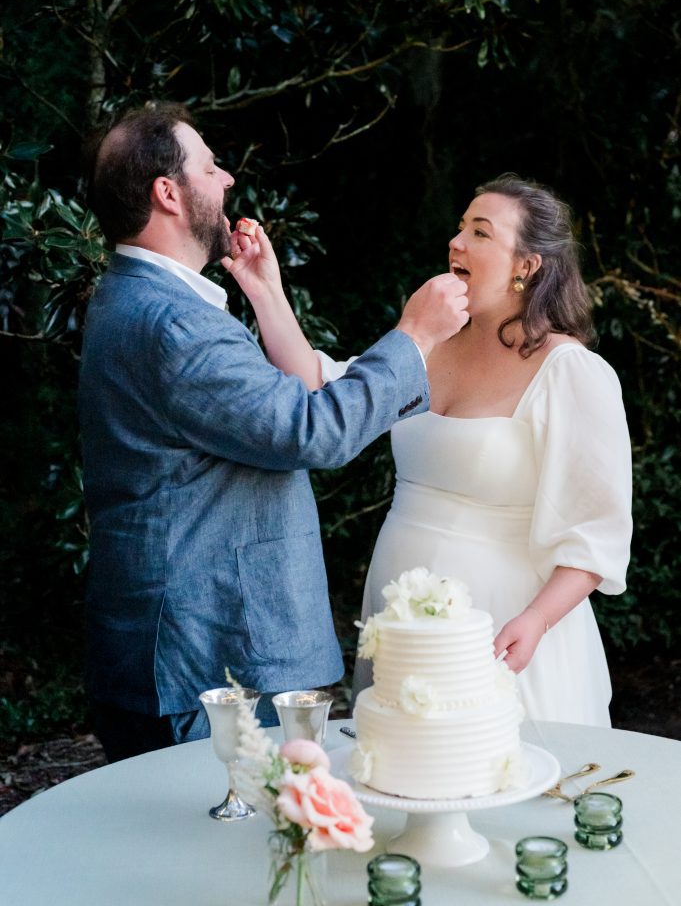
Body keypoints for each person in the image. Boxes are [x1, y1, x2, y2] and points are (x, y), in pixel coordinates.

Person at [78, 102, 469, 761]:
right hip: (204, 663)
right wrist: (414, 337)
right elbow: (311, 432)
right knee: (219, 853)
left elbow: (271, 409)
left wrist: (266, 293)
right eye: (209, 166)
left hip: (168, 651)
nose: (226, 179)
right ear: (167, 194)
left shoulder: (126, 295)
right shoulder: (176, 325)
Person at [237, 173, 632, 725]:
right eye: (459, 228)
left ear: (527, 265)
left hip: (504, 624)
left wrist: (538, 621)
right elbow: (320, 387)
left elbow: (596, 534)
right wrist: (264, 289)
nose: (457, 242)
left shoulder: (571, 371)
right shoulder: (428, 341)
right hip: (399, 615)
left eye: (480, 232)